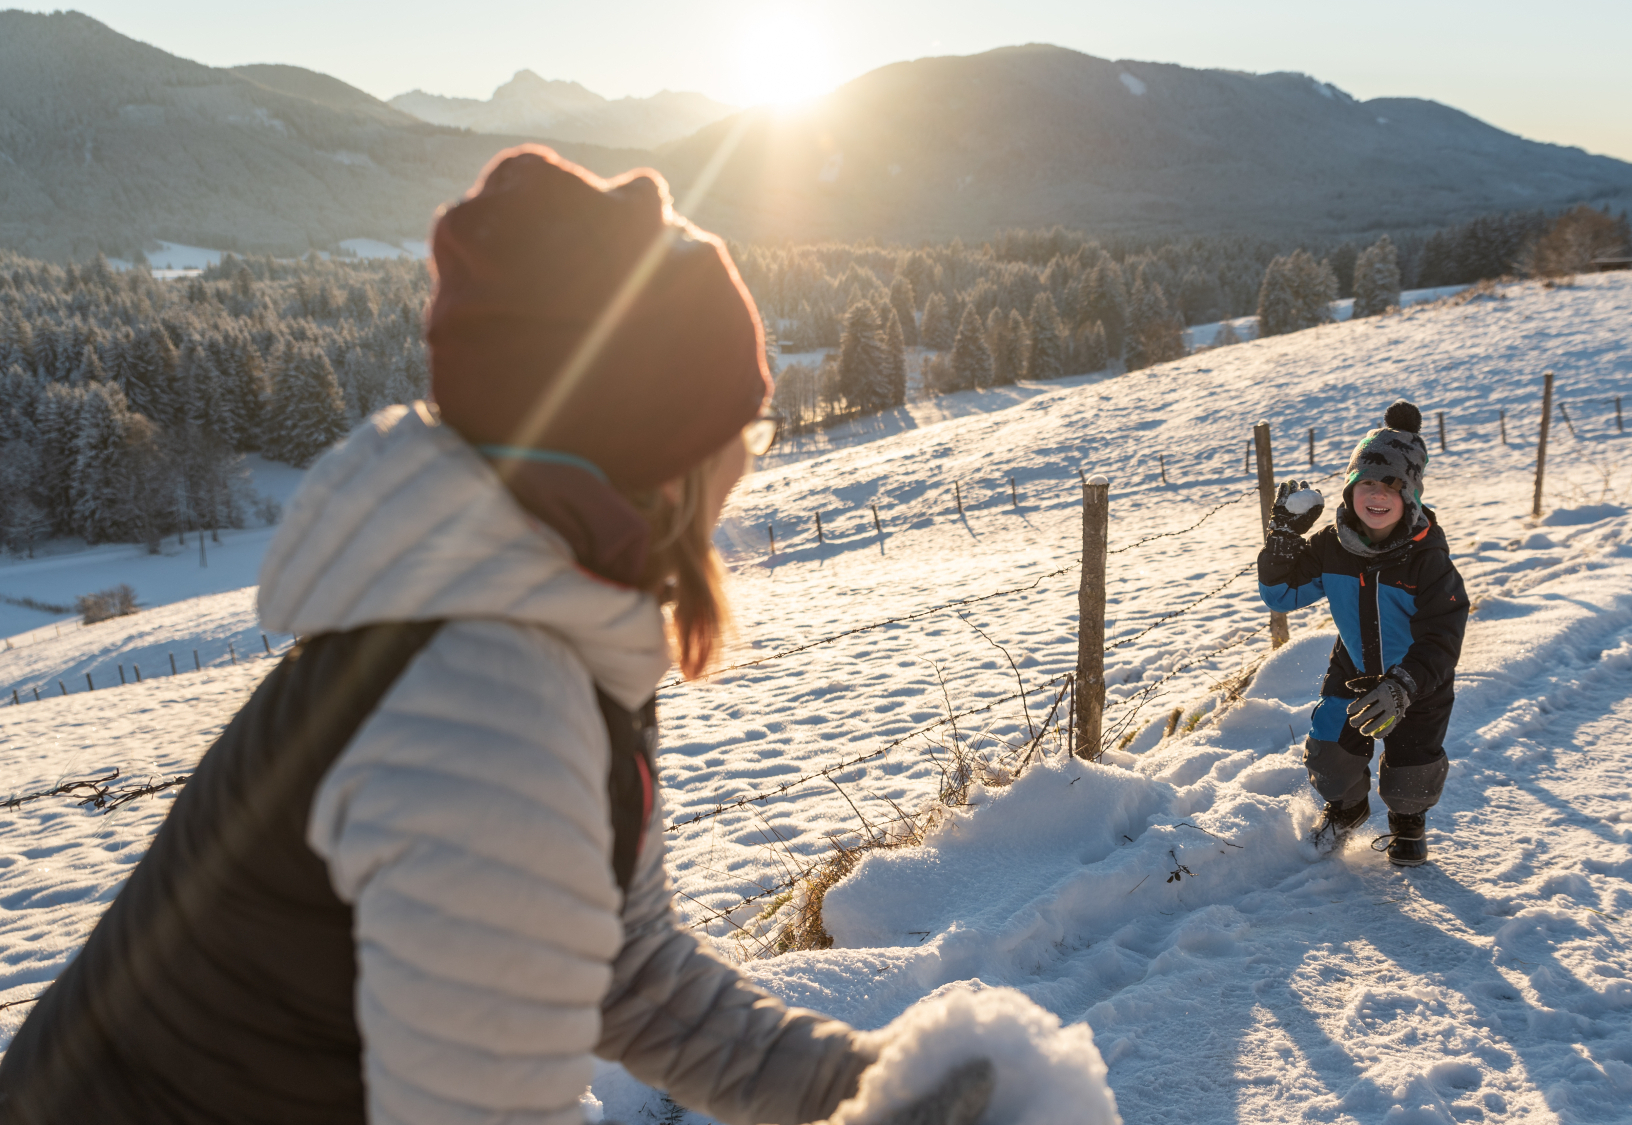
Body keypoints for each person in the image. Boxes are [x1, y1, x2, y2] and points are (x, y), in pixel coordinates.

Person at [0, 146, 995, 1125]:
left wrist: (864, 1092)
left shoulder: (520, 633)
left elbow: (630, 974)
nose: (747, 461)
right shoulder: (489, 704)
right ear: (659, 454)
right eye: (741, 430)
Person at [1256, 401, 1468, 866]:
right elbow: (1280, 595)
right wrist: (1282, 541)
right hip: (1352, 671)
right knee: (1329, 758)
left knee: (1411, 777)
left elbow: (1443, 637)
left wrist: (1405, 685)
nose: (1377, 494)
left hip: (1418, 682)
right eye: (1366, 482)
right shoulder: (1333, 545)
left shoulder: (1426, 558)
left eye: (1391, 485)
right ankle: (1347, 809)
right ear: (1351, 488)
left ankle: (1408, 824)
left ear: (1410, 494)